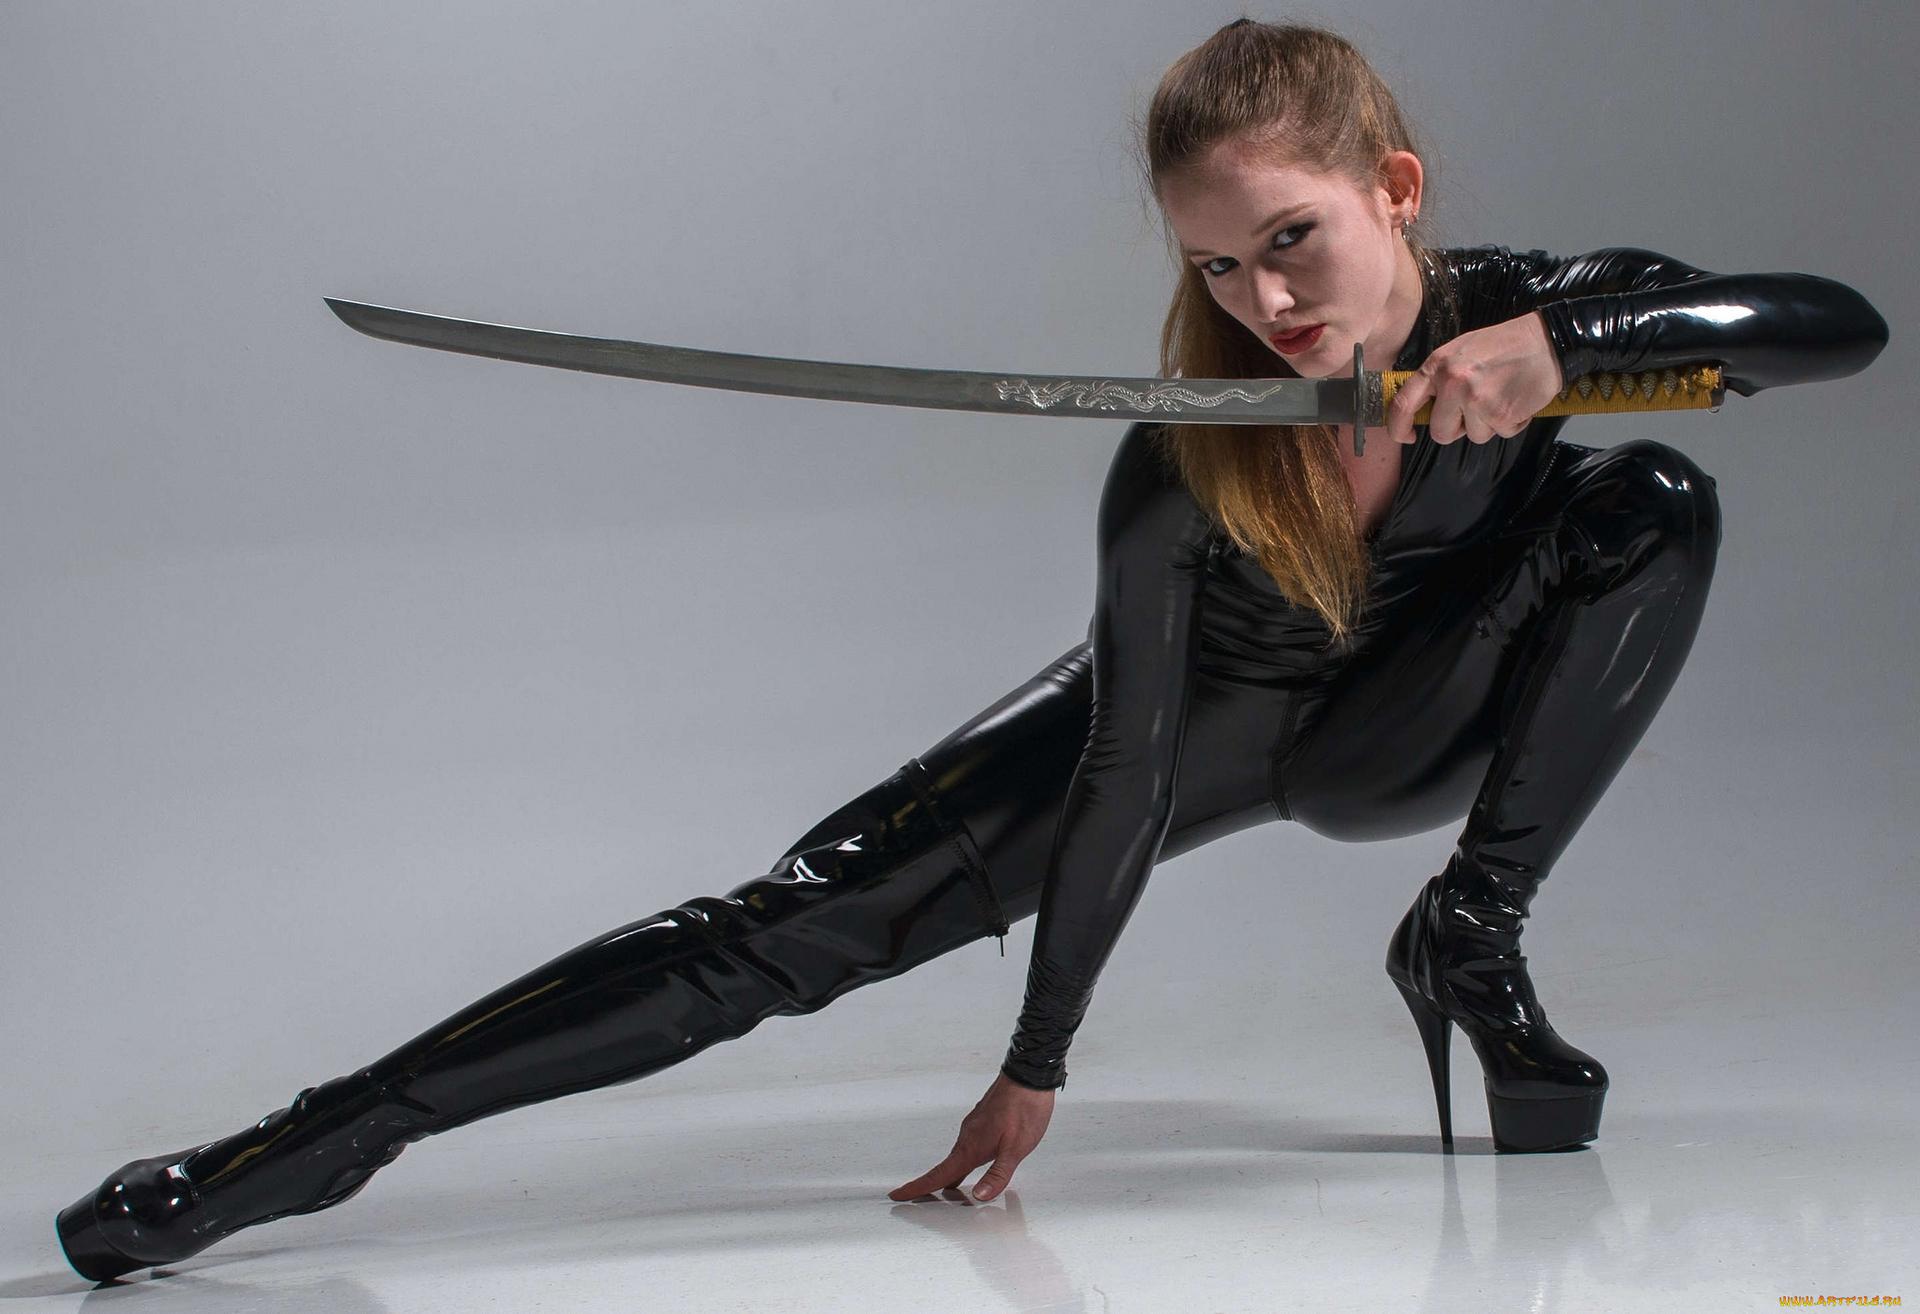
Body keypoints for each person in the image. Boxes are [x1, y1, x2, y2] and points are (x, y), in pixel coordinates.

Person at [56, 17, 1887, 1283]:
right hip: (1207, 739)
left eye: (1294, 239)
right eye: (1219, 266)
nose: (1264, 300)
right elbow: (1128, 766)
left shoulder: (1543, 314)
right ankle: (303, 1148)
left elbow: (1842, 324)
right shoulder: (1183, 459)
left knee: (1656, 494)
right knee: (778, 926)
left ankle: (1469, 930)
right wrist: (1041, 1053)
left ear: (1393, 187)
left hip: (1413, 728)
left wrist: (1575, 354)